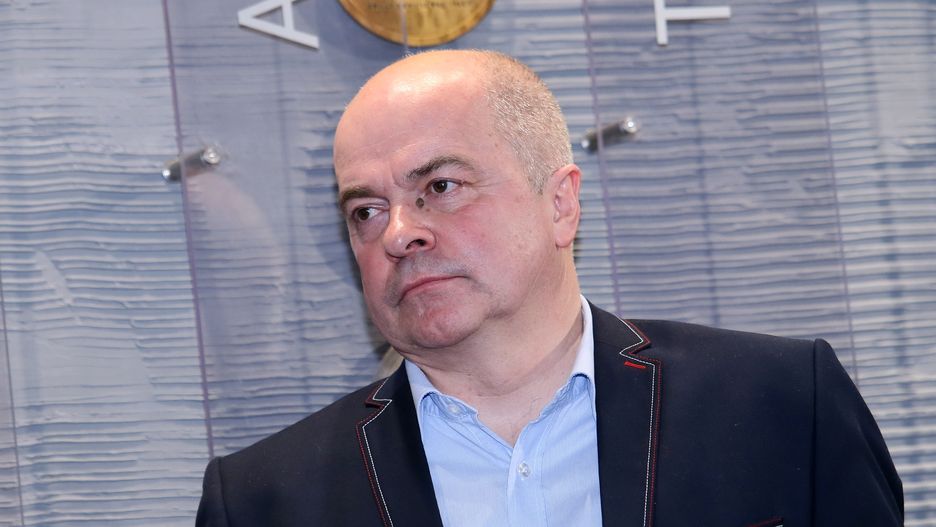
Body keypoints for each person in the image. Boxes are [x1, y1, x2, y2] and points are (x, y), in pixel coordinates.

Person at [196, 50, 903, 526]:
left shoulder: (782, 403)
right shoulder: (263, 502)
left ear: (561, 203)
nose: (399, 233)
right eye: (366, 211)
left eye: (440, 186)